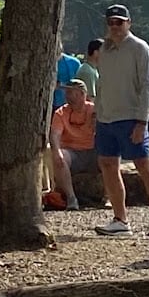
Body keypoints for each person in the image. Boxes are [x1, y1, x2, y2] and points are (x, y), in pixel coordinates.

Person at [92, 4, 149, 239]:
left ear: (129, 23)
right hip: (106, 119)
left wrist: (141, 121)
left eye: (120, 22)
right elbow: (102, 84)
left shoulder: (140, 48)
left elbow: (148, 86)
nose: (115, 27)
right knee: (108, 165)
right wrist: (97, 113)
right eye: (111, 22)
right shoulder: (104, 50)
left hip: (131, 118)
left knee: (143, 166)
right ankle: (120, 219)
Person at [47, 79, 98, 210]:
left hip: (93, 151)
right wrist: (56, 151)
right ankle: (71, 198)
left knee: (110, 154)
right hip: (72, 152)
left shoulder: (94, 110)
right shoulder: (61, 112)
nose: (68, 96)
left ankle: (108, 198)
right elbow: (54, 135)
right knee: (60, 157)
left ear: (82, 94)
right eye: (66, 92)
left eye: (71, 92)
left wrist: (96, 125)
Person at [52, 42, 83, 111]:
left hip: (69, 104)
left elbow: (81, 85)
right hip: (51, 104)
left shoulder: (74, 63)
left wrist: (61, 85)